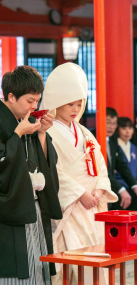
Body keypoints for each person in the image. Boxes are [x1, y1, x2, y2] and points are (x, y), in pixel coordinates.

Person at [0, 65, 62, 285]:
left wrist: (41, 133)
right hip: (3, 213)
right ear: (11, 96)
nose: (35, 106)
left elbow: (45, 164)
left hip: (31, 209)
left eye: (37, 101)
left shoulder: (28, 122)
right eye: (30, 100)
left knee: (35, 270)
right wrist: (18, 134)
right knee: (9, 274)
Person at [40, 63, 118, 285]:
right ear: (57, 103)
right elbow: (52, 171)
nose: (75, 109)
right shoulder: (48, 132)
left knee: (96, 259)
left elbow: (101, 165)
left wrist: (99, 190)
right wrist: (80, 193)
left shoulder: (84, 132)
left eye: (79, 104)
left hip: (92, 205)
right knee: (71, 264)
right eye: (69, 104)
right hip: (70, 207)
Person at [106, 108, 137, 210]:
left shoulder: (112, 139)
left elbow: (121, 165)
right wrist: (121, 189)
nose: (111, 127)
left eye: (114, 123)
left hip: (121, 185)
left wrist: (134, 185)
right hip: (108, 185)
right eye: (108, 122)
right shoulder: (93, 137)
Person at [114, 116, 137, 210]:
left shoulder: (134, 147)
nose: (128, 131)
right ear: (117, 129)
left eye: (130, 128)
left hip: (133, 187)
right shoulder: (114, 146)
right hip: (118, 188)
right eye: (124, 128)